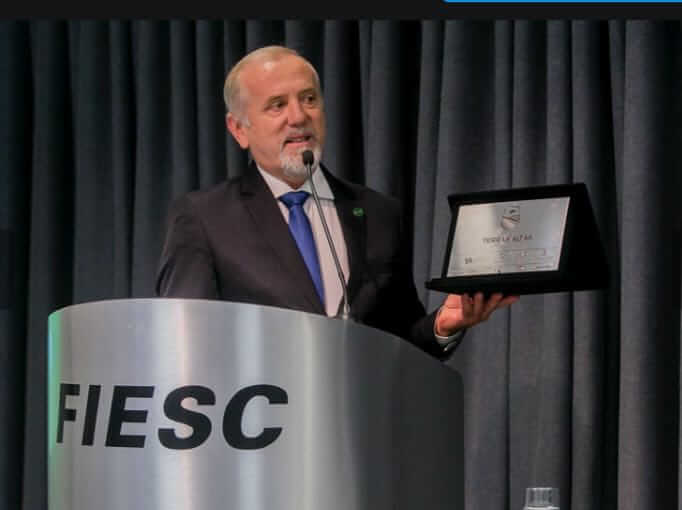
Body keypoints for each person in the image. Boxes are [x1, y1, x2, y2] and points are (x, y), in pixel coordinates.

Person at [155, 45, 518, 359]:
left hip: (362, 413)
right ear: (239, 129)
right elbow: (187, 342)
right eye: (277, 105)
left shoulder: (378, 213)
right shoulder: (204, 217)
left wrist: (443, 325)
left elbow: (401, 344)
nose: (299, 117)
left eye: (309, 99)